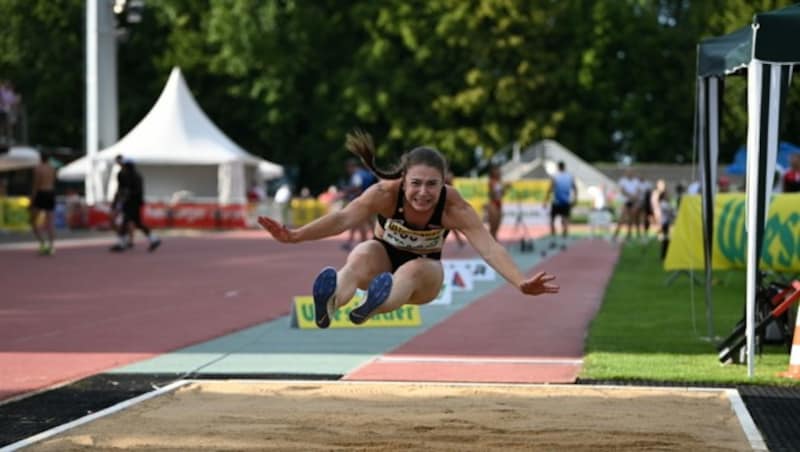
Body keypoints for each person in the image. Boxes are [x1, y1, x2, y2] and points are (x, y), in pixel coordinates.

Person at [257, 130, 559, 329]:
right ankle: (332, 301)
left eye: (432, 185)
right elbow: (342, 219)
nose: (423, 193)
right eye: (416, 184)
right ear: (403, 181)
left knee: (412, 269)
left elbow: (490, 248)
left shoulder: (454, 207)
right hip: (381, 260)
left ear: (444, 183)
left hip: (424, 277)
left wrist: (520, 282)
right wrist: (295, 235)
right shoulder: (384, 194)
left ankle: (372, 306)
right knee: (362, 253)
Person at [110, 159, 161, 252]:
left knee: (126, 222)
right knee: (137, 223)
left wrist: (119, 200)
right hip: (135, 203)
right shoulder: (136, 176)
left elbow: (124, 191)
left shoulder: (129, 177)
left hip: (130, 203)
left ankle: (121, 243)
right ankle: (153, 239)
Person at [340, 158, 378, 250]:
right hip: (371, 200)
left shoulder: (357, 175)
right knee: (369, 223)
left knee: (361, 224)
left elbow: (358, 187)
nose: (348, 171)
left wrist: (347, 190)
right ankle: (375, 242)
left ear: (351, 167)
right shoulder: (366, 174)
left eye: (348, 168)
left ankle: (364, 244)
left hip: (361, 202)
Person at [29, 152, 56, 255]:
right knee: (50, 222)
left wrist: (32, 199)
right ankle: (51, 246)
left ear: (40, 158)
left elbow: (36, 185)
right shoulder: (52, 168)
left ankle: (43, 243)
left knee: (33, 221)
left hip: (41, 193)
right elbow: (52, 182)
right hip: (50, 193)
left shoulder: (38, 169)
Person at [544, 161, 577, 239]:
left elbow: (550, 189)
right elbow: (575, 188)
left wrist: (545, 200)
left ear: (558, 167)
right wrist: (575, 199)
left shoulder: (555, 177)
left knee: (552, 219)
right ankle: (564, 234)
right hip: (566, 201)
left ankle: (553, 234)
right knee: (565, 218)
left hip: (557, 202)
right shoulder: (570, 177)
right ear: (564, 167)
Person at [486, 164, 508, 240]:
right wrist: (503, 189)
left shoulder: (499, 181)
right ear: (493, 172)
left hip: (499, 204)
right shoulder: (491, 182)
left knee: (497, 228)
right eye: (496, 170)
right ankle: (491, 246)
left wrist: (506, 189)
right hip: (493, 205)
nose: (498, 171)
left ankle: (493, 243)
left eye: (498, 170)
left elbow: (501, 194)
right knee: (493, 228)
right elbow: (492, 195)